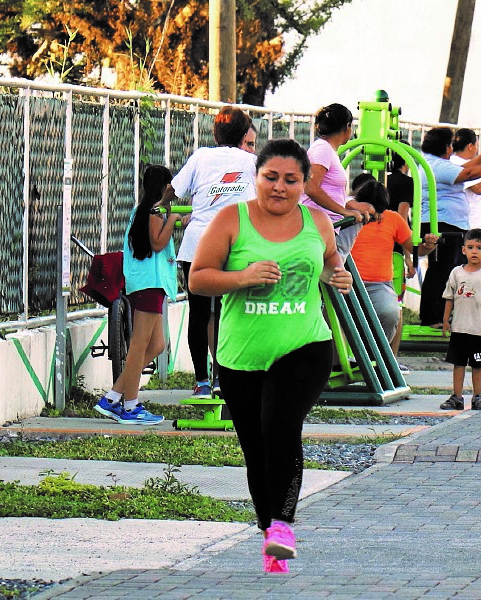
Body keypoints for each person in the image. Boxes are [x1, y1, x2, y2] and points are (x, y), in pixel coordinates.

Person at [188, 139, 353, 574]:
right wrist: (242, 277)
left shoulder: (317, 221)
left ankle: (282, 525)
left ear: (304, 183)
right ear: (256, 177)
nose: (279, 187)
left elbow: (329, 261)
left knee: (280, 426)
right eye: (271, 177)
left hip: (305, 346)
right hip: (241, 355)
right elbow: (198, 280)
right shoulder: (231, 220)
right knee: (255, 447)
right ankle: (268, 532)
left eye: (291, 180)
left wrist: (337, 276)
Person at [166, 106, 257, 398]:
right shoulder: (252, 162)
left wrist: (160, 203)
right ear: (245, 135)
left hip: (197, 245)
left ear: (214, 133)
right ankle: (224, 377)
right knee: (231, 313)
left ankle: (202, 381)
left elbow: (175, 189)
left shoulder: (201, 157)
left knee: (200, 313)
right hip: (234, 247)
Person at [94, 165, 182, 424]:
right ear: (163, 187)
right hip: (149, 285)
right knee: (139, 346)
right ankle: (130, 406)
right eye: (171, 186)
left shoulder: (144, 211)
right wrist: (174, 220)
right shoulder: (154, 211)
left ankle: (111, 399)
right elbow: (157, 243)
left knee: (156, 345)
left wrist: (177, 218)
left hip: (147, 285)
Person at [418, 127, 481, 327]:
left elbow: (466, 167)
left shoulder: (436, 163)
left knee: (445, 269)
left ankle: (438, 315)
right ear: (446, 147)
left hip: (448, 223)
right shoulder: (437, 166)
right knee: (441, 271)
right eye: (451, 144)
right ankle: (431, 317)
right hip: (442, 223)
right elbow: (467, 173)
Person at [350, 180, 438, 366]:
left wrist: (428, 246)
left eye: (378, 212)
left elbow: (416, 249)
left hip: (379, 284)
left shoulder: (393, 219)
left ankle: (382, 359)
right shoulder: (347, 216)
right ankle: (346, 359)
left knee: (391, 313)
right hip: (348, 281)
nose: (374, 217)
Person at [301, 103, 375, 259]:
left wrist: (350, 206)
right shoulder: (322, 148)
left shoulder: (328, 150)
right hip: (318, 228)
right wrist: (343, 211)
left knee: (341, 278)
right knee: (339, 279)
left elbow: (330, 192)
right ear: (347, 127)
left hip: (327, 227)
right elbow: (311, 188)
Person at [440, 228, 481, 411]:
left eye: (479, 247)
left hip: (479, 330)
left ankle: (478, 396)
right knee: (458, 364)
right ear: (463, 250)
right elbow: (449, 298)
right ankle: (457, 397)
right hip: (459, 328)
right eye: (471, 247)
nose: (475, 251)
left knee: (477, 364)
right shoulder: (456, 273)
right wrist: (445, 321)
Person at [448, 128, 481, 229]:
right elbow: (478, 188)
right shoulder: (458, 163)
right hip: (470, 223)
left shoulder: (452, 161)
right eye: (476, 145)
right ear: (470, 146)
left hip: (468, 221)